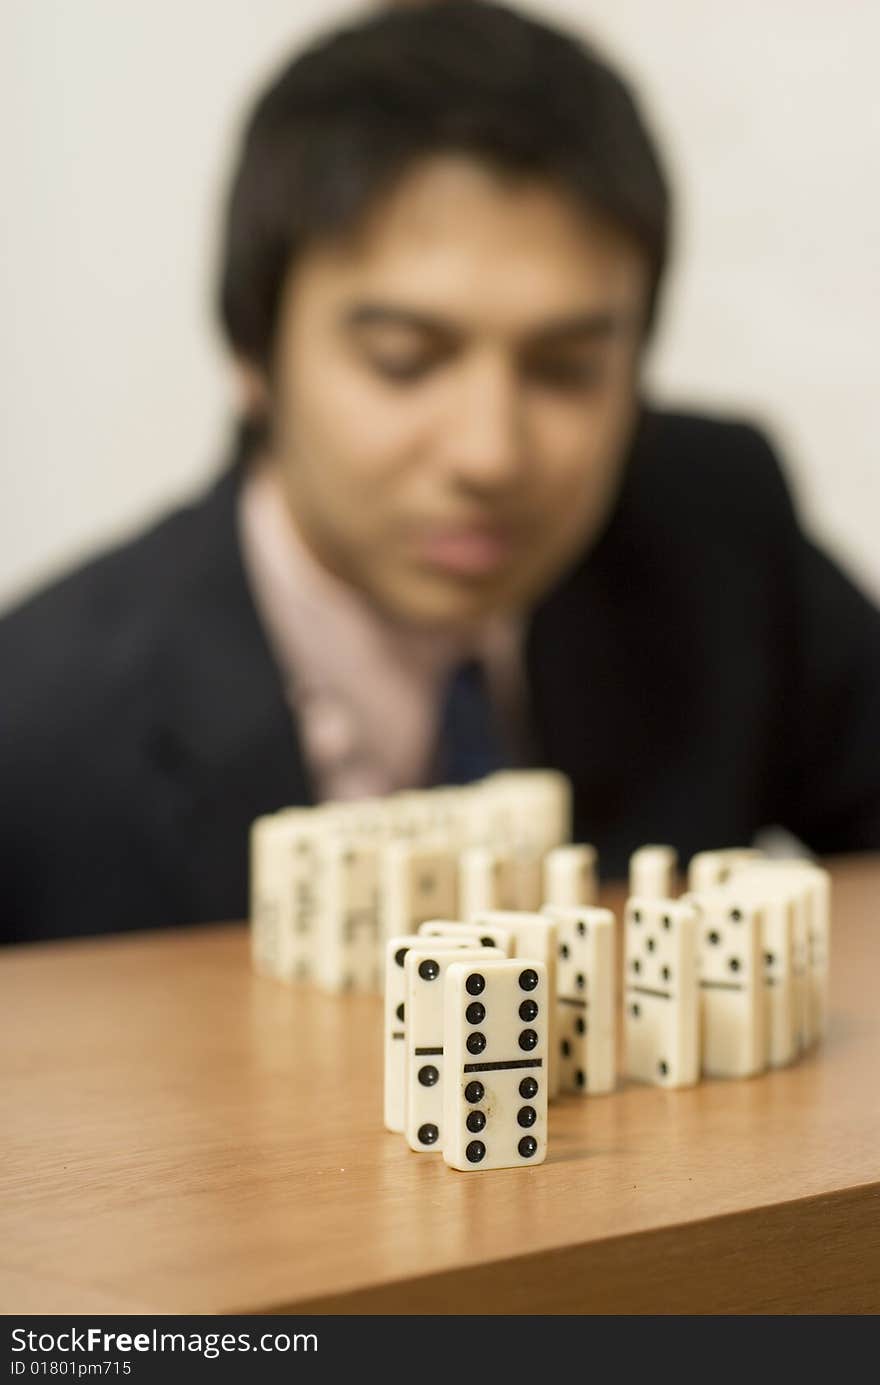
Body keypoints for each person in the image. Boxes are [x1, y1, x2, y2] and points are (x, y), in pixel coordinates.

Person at [2, 0, 879, 945]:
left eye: (568, 368)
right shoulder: (40, 725)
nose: (490, 454)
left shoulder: (717, 524)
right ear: (253, 354)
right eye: (403, 360)